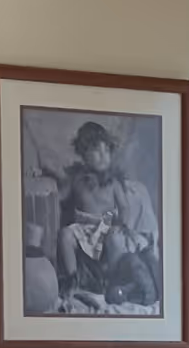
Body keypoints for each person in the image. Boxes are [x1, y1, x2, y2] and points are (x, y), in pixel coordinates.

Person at [56, 121, 161, 313]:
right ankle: (72, 279)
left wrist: (124, 223)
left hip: (107, 226)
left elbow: (124, 207)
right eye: (96, 151)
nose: (104, 156)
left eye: (107, 150)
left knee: (114, 238)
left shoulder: (113, 183)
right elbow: (60, 195)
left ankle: (113, 280)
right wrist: (46, 176)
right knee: (65, 235)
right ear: (83, 153)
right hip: (84, 227)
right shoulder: (76, 179)